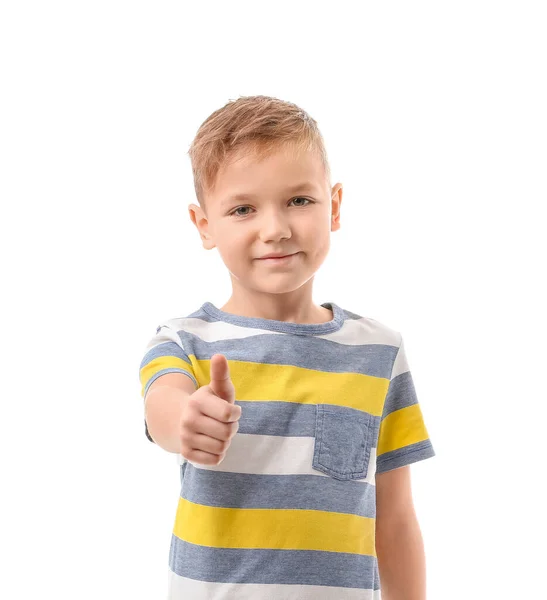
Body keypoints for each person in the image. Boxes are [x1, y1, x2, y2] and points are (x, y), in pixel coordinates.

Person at [138, 95, 435, 599]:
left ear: (334, 206)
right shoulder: (183, 341)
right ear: (204, 224)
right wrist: (188, 418)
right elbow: (164, 406)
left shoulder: (379, 351)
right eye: (242, 208)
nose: (274, 229)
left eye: (299, 200)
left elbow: (396, 516)